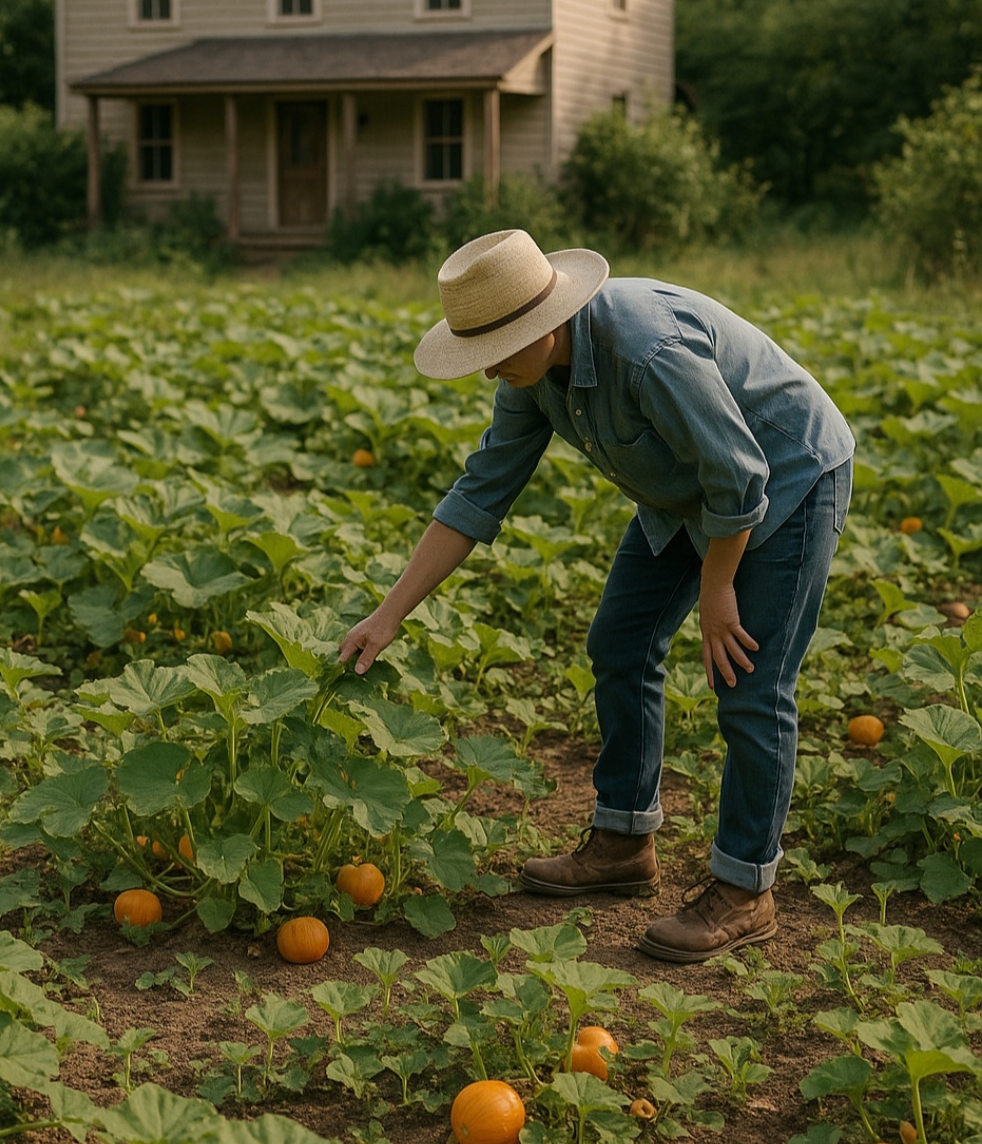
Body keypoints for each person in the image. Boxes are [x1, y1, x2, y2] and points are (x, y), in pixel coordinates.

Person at [338, 229, 854, 962]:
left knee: (751, 680)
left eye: (497, 352)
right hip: (686, 491)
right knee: (621, 640)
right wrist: (388, 614)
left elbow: (740, 477)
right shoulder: (531, 376)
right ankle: (623, 841)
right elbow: (481, 493)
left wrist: (718, 592)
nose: (488, 375)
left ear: (544, 323)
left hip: (787, 475)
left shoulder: (647, 352)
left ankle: (746, 891)